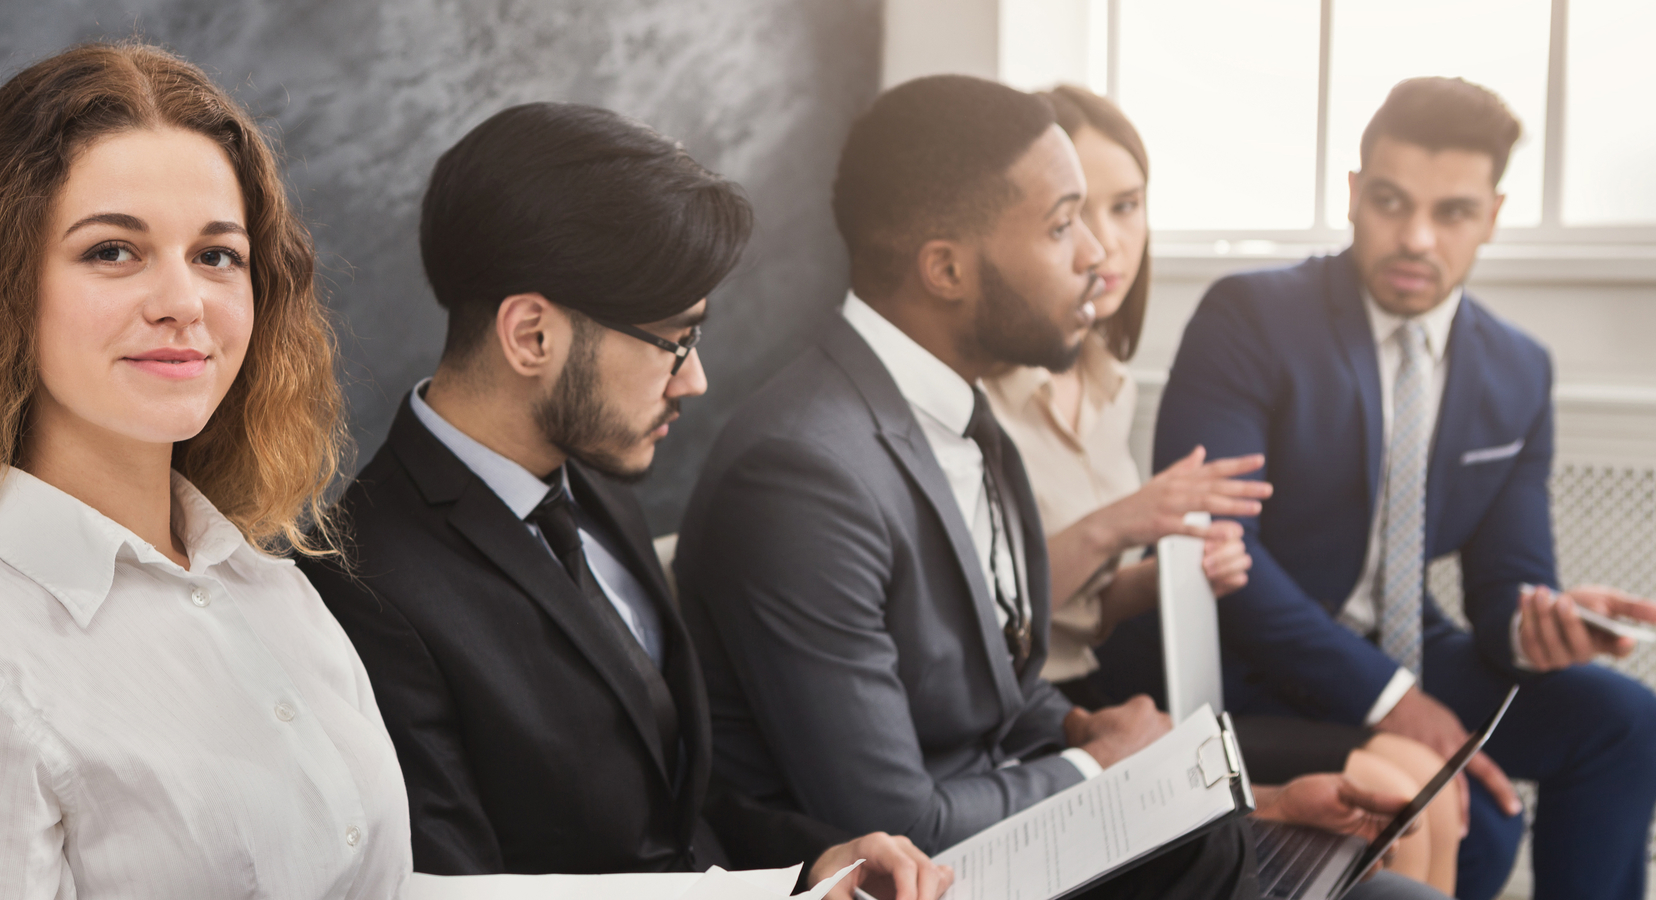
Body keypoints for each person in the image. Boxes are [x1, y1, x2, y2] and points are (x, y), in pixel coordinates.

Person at [677, 74, 1444, 900]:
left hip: (1031, 840)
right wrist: (1106, 762)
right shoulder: (801, 473)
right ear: (945, 269)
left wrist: (1201, 783)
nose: (1095, 255)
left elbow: (995, 699)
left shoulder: (965, 419)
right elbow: (897, 826)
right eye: (1060, 225)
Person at [299, 102, 949, 900]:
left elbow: (672, 809)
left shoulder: (594, 482)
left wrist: (816, 861)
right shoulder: (365, 582)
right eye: (675, 340)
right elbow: (454, 890)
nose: (695, 379)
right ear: (532, 335)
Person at [0, 43, 410, 898]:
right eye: (112, 252)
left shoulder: (271, 588)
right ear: (3, 291)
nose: (183, 302)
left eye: (217, 256)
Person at [1100, 75, 1656, 900]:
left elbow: (1504, 590)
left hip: (1406, 652)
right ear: (1354, 194)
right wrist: (1396, 703)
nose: (1418, 237)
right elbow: (1217, 552)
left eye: (1454, 212)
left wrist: (1547, 625)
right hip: (1247, 663)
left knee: (1623, 719)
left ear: (1493, 216)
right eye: (1392, 202)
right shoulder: (1248, 316)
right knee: (1484, 825)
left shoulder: (1519, 369)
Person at [983, 84, 1462, 892]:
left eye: (1128, 206)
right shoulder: (978, 402)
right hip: (1038, 725)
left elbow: (1075, 613)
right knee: (1403, 788)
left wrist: (1163, 578)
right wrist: (1123, 522)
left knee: (1419, 790)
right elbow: (978, 622)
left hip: (1097, 694)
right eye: (1073, 215)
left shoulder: (1107, 382)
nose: (1107, 241)